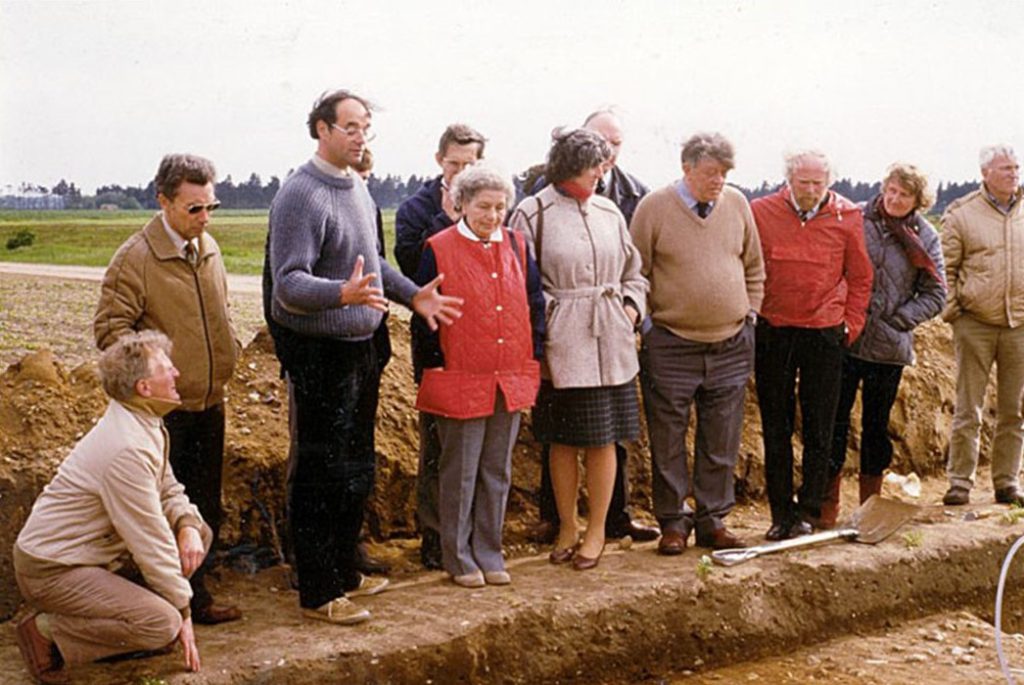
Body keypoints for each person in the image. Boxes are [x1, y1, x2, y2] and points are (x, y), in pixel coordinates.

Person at [266, 88, 462, 625]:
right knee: (319, 469)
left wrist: (413, 295)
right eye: (349, 127)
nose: (359, 137)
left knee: (354, 466)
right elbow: (288, 284)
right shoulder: (300, 195)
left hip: (362, 349)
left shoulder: (355, 186)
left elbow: (371, 260)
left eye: (365, 127)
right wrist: (340, 295)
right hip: (319, 353)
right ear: (321, 130)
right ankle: (318, 590)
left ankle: (346, 570)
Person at [14, 331, 212, 684]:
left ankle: (137, 618)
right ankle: (46, 632)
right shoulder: (126, 449)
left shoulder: (143, 420)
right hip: (55, 568)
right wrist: (181, 613)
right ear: (144, 387)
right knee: (160, 624)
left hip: (93, 556)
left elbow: (168, 488)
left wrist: (186, 523)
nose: (177, 373)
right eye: (167, 368)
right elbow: (149, 539)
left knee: (198, 535)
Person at [94, 153, 241, 625]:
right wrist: (151, 381)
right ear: (163, 201)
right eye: (193, 208)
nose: (204, 218)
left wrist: (228, 348)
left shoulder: (209, 248)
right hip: (163, 412)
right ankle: (167, 604)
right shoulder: (135, 258)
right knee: (163, 513)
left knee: (203, 506)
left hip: (209, 399)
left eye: (210, 207)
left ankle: (197, 596)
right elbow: (110, 332)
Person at [510, 128, 648, 571]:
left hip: (612, 339)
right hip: (563, 344)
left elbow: (635, 273)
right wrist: (550, 321)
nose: (601, 176)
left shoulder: (609, 211)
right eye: (595, 169)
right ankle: (567, 525)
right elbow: (520, 283)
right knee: (562, 440)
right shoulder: (532, 213)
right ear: (570, 169)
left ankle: (598, 530)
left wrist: (629, 310)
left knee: (604, 438)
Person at [631, 132, 765, 553]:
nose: (719, 180)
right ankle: (673, 522)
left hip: (730, 343)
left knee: (721, 437)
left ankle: (713, 520)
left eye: (725, 173)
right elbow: (637, 272)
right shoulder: (653, 208)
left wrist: (750, 315)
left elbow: (754, 266)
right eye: (710, 172)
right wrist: (649, 326)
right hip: (672, 343)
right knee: (668, 437)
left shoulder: (738, 204)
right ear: (686, 168)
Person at [414, 163, 544, 587]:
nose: (492, 215)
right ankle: (458, 556)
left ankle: (490, 550)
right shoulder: (437, 247)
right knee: (461, 469)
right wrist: (433, 369)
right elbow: (425, 319)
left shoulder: (519, 246)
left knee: (496, 469)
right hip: (460, 375)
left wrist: (534, 355)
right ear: (461, 204)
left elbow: (533, 304)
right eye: (483, 206)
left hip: (509, 374)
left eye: (500, 207)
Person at [751, 150, 873, 541]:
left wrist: (850, 325)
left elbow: (861, 277)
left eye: (818, 183)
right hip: (775, 330)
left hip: (824, 334)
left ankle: (808, 511)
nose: (810, 190)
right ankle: (780, 513)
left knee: (820, 426)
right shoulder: (761, 212)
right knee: (776, 425)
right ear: (788, 179)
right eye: (803, 182)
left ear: (829, 182)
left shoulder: (848, 216)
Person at [826, 164, 946, 523]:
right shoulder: (854, 218)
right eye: (891, 190)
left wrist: (899, 321)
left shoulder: (924, 236)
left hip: (888, 348)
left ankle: (869, 509)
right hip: (846, 339)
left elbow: (936, 292)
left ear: (918, 201)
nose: (894, 199)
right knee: (833, 421)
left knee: (876, 428)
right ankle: (825, 506)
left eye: (904, 194)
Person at [394, 123, 486, 569]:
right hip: (437, 338)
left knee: (481, 445)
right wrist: (447, 222)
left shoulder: (491, 206)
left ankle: (475, 534)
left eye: (471, 164)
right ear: (439, 161)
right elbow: (409, 270)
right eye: (455, 164)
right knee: (438, 440)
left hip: (484, 339)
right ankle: (435, 536)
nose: (463, 171)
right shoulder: (415, 209)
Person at [941, 144, 1024, 507]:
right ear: (985, 173)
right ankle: (960, 482)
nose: (1013, 173)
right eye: (1005, 168)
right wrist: (956, 312)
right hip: (975, 323)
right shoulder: (962, 214)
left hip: (1020, 324)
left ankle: (1007, 482)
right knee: (968, 407)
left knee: (1014, 409)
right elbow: (945, 269)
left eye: (1016, 167)